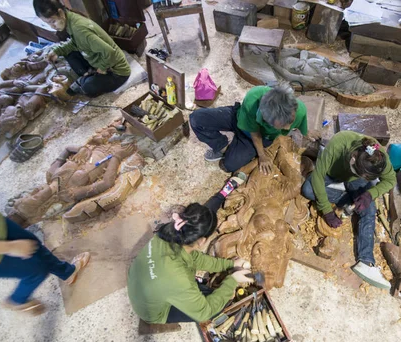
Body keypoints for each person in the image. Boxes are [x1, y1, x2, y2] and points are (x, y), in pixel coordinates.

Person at [128, 175, 253, 325]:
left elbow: (197, 258)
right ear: (202, 241)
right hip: (151, 310)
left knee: (205, 291)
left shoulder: (169, 233)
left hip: (141, 284)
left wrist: (230, 265)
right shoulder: (179, 279)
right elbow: (204, 313)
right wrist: (232, 281)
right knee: (216, 303)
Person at [0, 185, 90, 315]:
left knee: (32, 244)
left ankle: (67, 272)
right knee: (36, 269)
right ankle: (17, 300)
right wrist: (11, 247)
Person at [301, 131, 396, 289]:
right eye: (364, 176)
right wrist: (327, 210)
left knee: (369, 210)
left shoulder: (378, 157)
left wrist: (370, 194)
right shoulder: (339, 143)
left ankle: (365, 261)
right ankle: (346, 198)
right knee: (308, 190)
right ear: (353, 157)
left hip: (356, 178)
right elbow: (318, 176)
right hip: (332, 173)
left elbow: (390, 180)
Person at [189, 85, 308, 173]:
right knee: (197, 118)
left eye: (290, 122)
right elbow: (255, 133)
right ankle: (223, 147)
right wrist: (262, 156)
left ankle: (236, 147)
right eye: (282, 125)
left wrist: (308, 134)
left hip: (261, 137)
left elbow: (304, 130)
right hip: (240, 118)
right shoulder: (253, 98)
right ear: (266, 119)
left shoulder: (299, 110)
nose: (287, 128)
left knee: (228, 166)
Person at [33, 0, 131, 98]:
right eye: (48, 23)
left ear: (61, 12)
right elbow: (76, 43)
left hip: (117, 72)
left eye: (53, 21)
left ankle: (87, 78)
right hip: (98, 58)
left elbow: (110, 52)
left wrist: (102, 67)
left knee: (88, 88)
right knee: (67, 53)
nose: (52, 27)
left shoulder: (79, 29)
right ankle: (87, 74)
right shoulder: (70, 19)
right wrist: (57, 51)